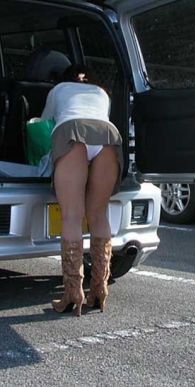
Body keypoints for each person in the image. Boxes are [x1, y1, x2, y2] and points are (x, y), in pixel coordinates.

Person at [41, 64, 123, 316]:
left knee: (72, 216)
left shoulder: (58, 90)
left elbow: (43, 124)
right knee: (99, 215)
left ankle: (73, 293)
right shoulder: (101, 93)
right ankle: (99, 290)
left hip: (72, 131)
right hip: (108, 135)